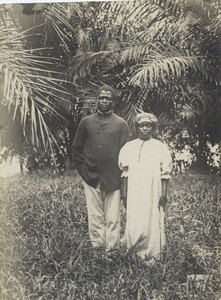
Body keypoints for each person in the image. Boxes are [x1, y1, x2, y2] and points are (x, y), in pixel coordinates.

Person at [72, 85, 130, 253]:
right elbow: (76, 149)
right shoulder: (86, 122)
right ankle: (98, 248)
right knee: (95, 215)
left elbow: (126, 154)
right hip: (91, 176)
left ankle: (111, 250)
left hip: (114, 177)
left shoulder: (121, 124)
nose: (104, 101)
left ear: (113, 102)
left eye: (108, 98)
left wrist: (123, 176)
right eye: (101, 98)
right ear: (97, 100)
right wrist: (84, 172)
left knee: (113, 216)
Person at [118, 112, 172, 261]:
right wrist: (124, 193)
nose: (145, 129)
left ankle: (152, 251)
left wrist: (164, 193)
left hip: (153, 189)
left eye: (148, 125)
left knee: (151, 216)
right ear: (136, 128)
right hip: (135, 189)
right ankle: (133, 249)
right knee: (135, 216)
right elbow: (125, 172)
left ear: (153, 128)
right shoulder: (129, 147)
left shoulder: (160, 147)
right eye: (142, 125)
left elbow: (165, 173)